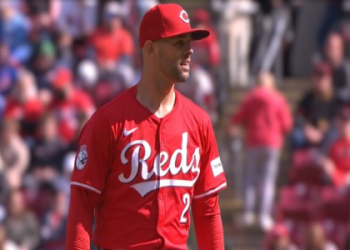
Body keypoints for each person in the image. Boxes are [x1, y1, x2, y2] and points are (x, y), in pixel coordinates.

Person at [66, 3, 227, 250]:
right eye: (178, 43)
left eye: (189, 42)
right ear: (150, 49)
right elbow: (81, 212)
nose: (189, 51)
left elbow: (208, 213)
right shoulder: (107, 122)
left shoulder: (200, 122)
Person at [229, 72, 292, 231]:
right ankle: (264, 215)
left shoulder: (250, 98)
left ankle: (248, 213)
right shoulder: (278, 99)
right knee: (268, 180)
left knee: (250, 179)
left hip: (253, 142)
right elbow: (287, 124)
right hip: (272, 143)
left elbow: (237, 118)